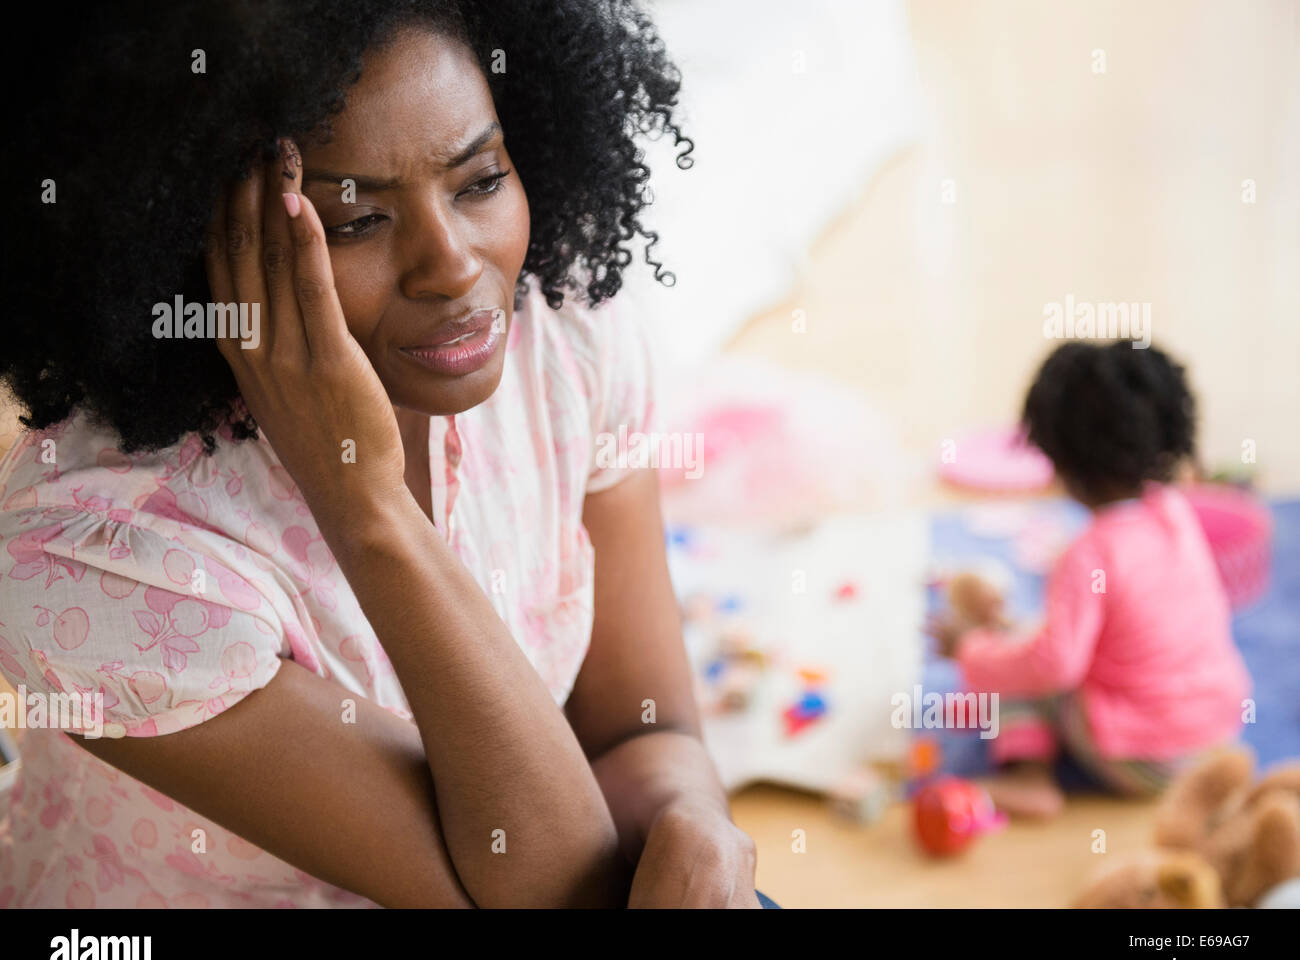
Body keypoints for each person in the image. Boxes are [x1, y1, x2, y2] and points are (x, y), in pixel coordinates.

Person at [0, 0, 763, 908]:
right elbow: (558, 886)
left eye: (479, 180)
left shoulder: (563, 328)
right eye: (356, 221)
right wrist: (367, 505)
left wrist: (691, 824)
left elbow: (640, 727)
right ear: (197, 241)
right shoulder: (90, 560)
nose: (451, 264)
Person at [931, 341, 1251, 819]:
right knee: (1037, 639)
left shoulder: (1089, 554)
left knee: (1014, 664)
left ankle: (1029, 780)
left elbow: (1053, 666)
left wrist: (970, 649)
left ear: (1057, 458)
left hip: (1145, 757)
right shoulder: (1174, 512)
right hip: (1216, 730)